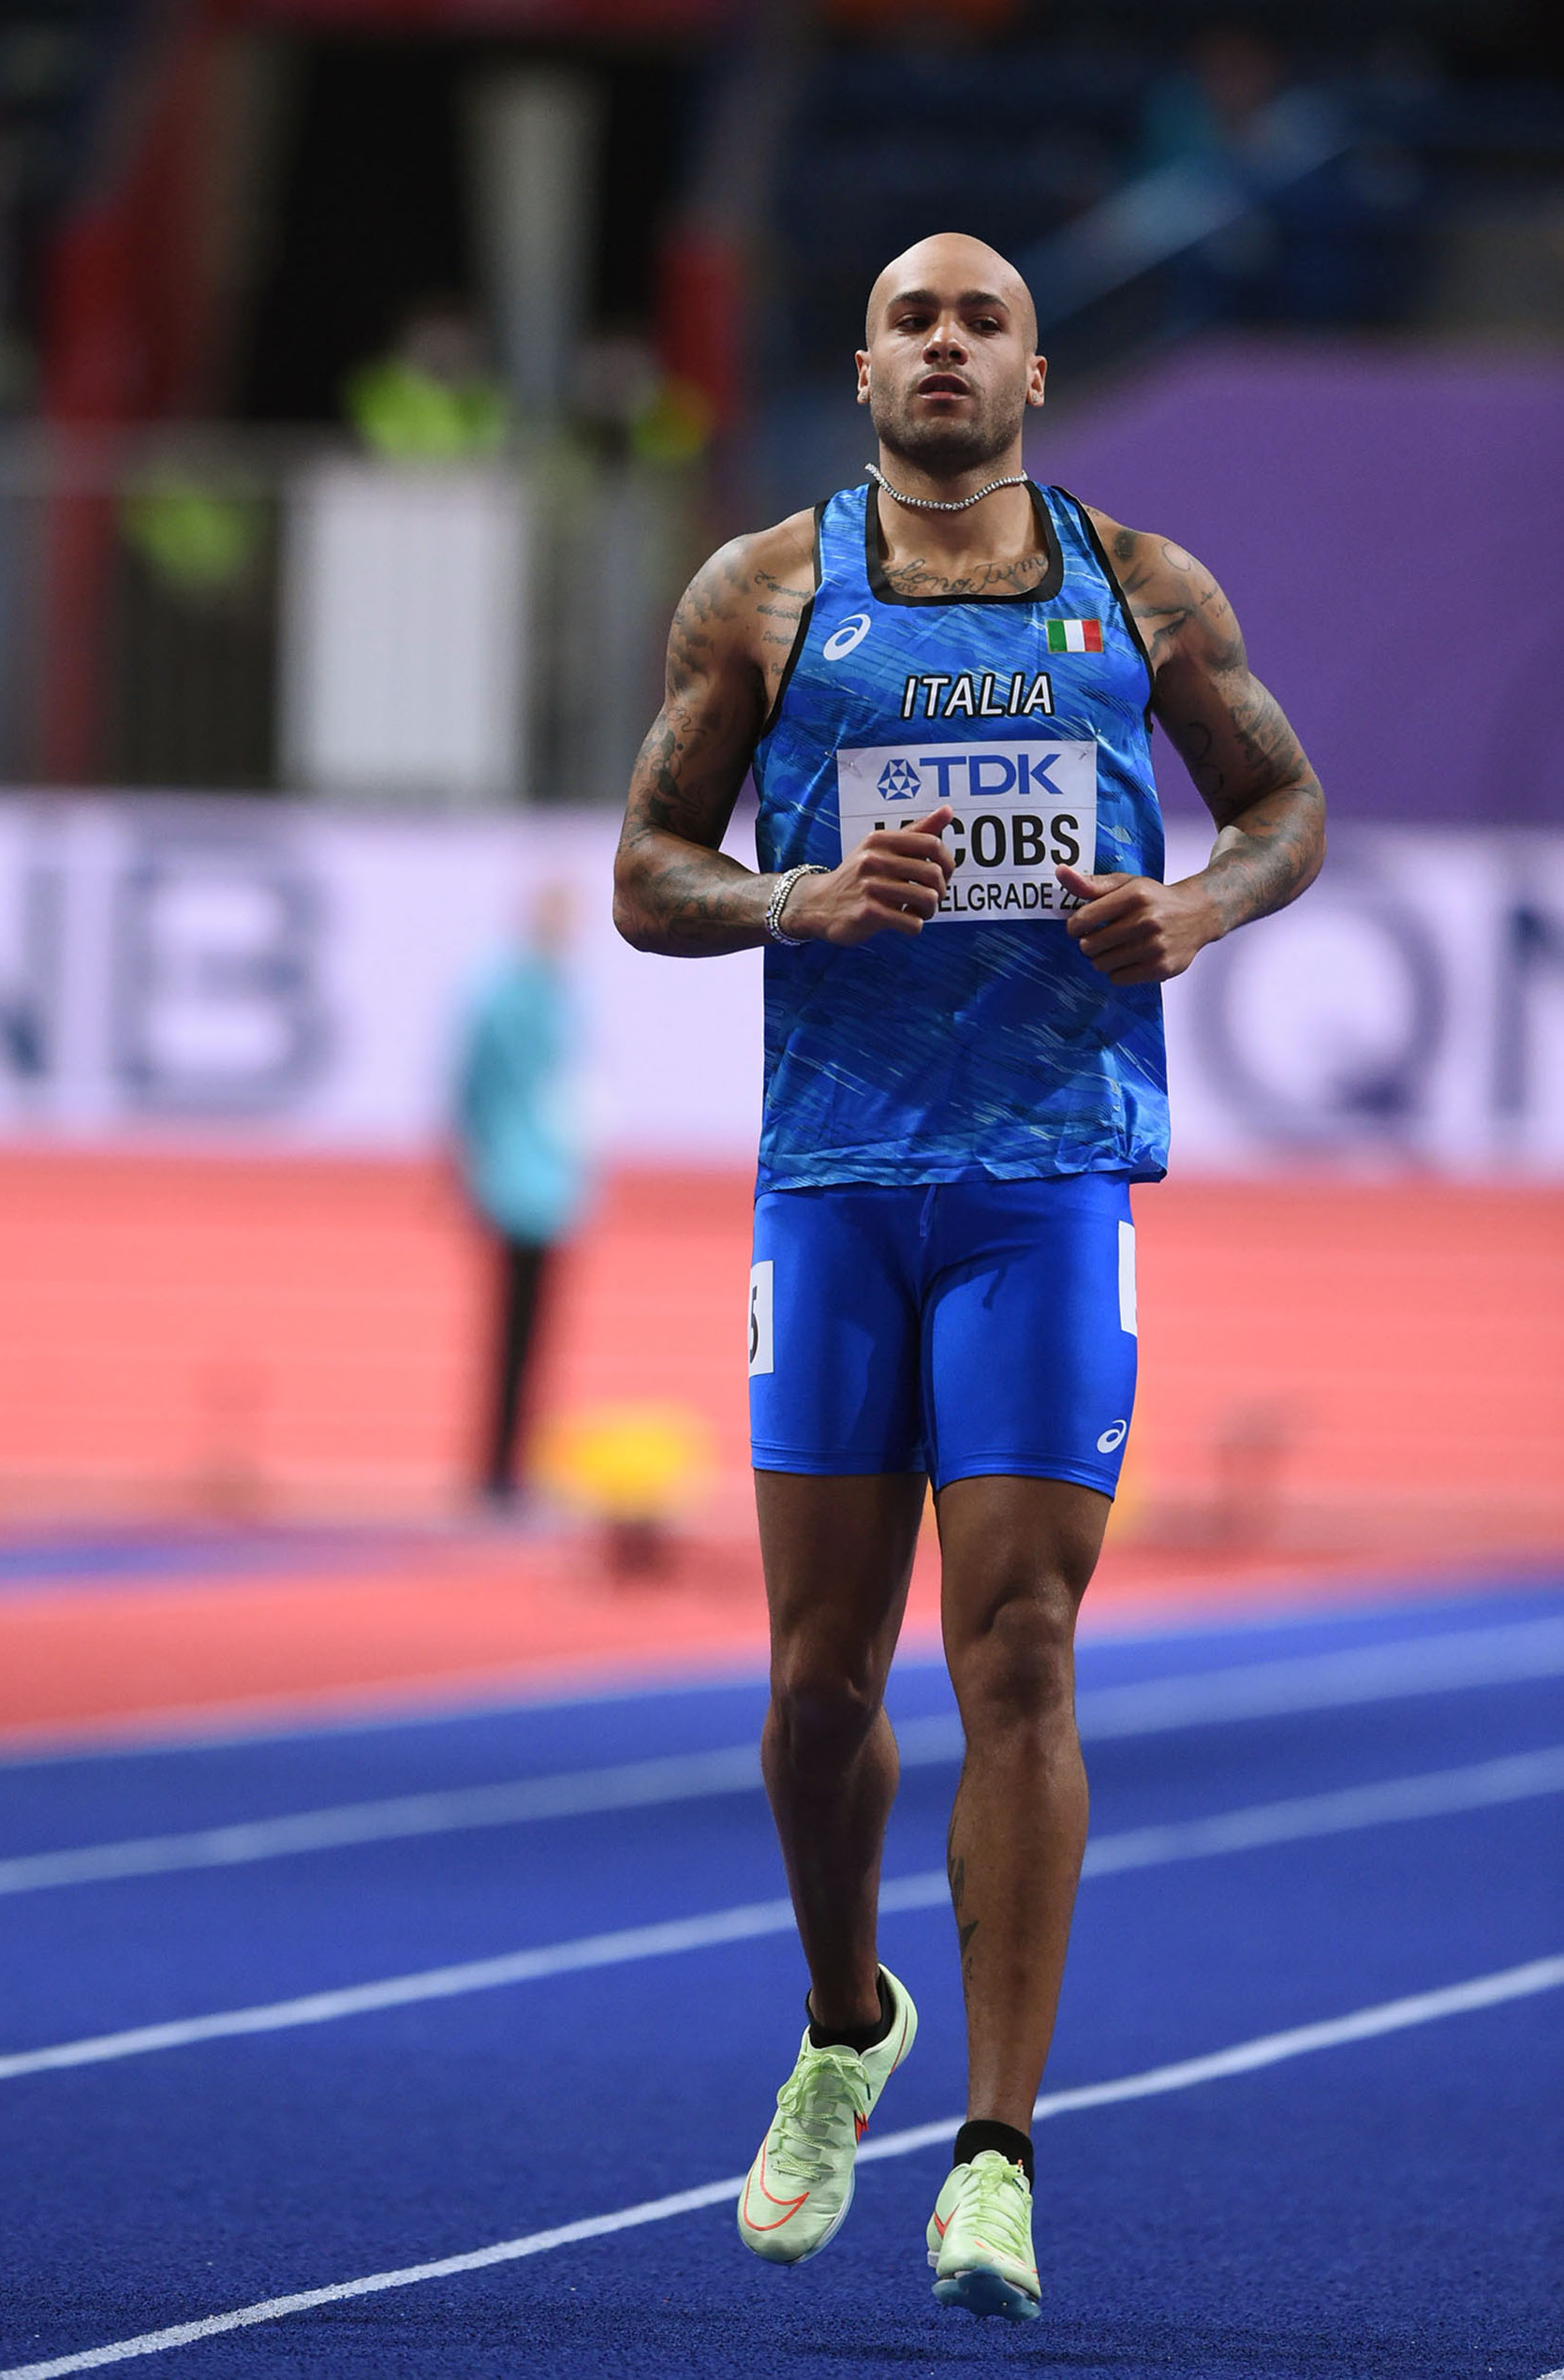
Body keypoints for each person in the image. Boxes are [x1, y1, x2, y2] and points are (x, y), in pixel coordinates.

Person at [612, 232, 1322, 2319]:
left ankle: (994, 2156)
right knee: (818, 1686)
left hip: (1048, 1177)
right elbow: (644, 872)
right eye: (909, 320)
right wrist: (797, 897)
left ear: (1032, 373)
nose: (944, 344)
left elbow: (1283, 804)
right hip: (837, 1180)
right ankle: (847, 2021)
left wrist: (1196, 909)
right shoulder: (764, 589)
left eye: (981, 318)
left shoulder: (1145, 587)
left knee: (1017, 1648)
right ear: (862, 374)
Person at [452, 883, 587, 1503]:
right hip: (529, 1182)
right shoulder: (523, 996)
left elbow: (471, 1087)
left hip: (531, 1179)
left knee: (522, 1333)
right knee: (520, 1333)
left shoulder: (534, 992)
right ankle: (502, 1468)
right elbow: (481, 1088)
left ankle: (506, 1463)